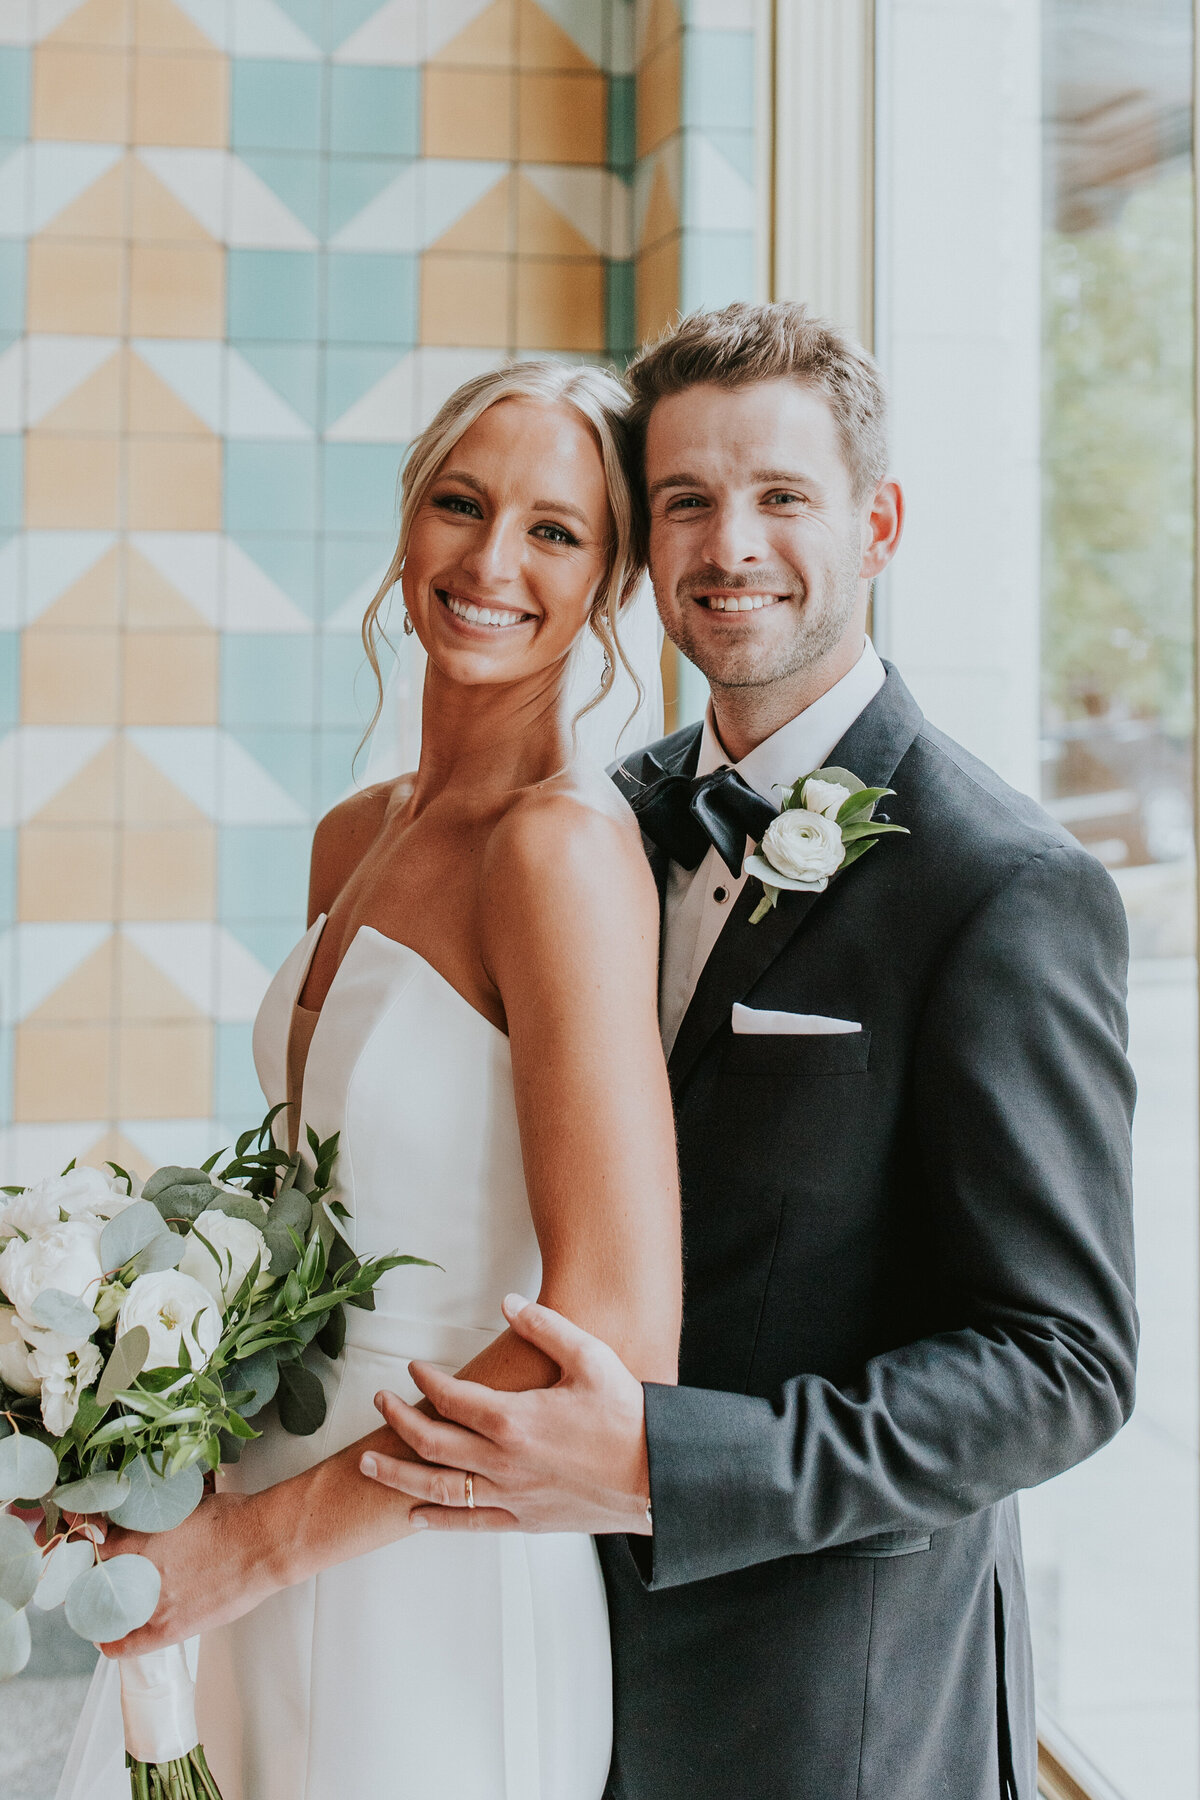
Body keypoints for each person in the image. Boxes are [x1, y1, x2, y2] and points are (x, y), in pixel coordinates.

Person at [361, 303, 1140, 1800]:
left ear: (881, 521)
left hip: (826, 1698)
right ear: (644, 548)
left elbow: (1061, 1366)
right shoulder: (602, 820)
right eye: (687, 503)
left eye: (782, 496)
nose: (732, 546)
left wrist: (660, 1463)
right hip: (543, 1648)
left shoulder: (1003, 886)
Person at [57, 362, 681, 1800]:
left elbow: (618, 1325)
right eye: (461, 506)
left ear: (613, 581)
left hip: (432, 1562)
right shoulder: (357, 834)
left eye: (554, 532)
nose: (489, 562)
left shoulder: (562, 851)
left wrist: (265, 1546)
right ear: (407, 529)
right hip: (252, 1512)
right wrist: (141, 1432)